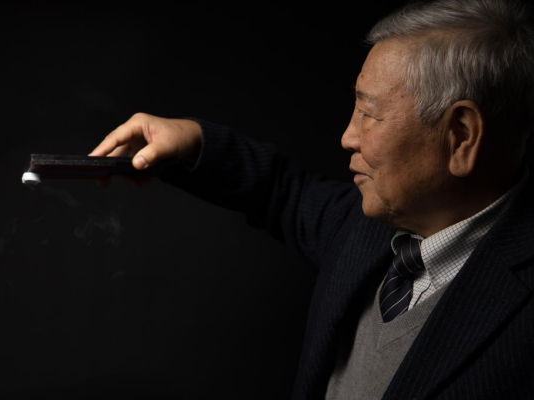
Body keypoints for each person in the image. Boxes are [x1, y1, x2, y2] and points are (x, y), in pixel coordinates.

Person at [89, 0, 534, 398]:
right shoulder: (366, 225)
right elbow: (283, 190)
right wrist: (195, 141)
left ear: (461, 135)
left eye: (369, 114)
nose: (347, 137)